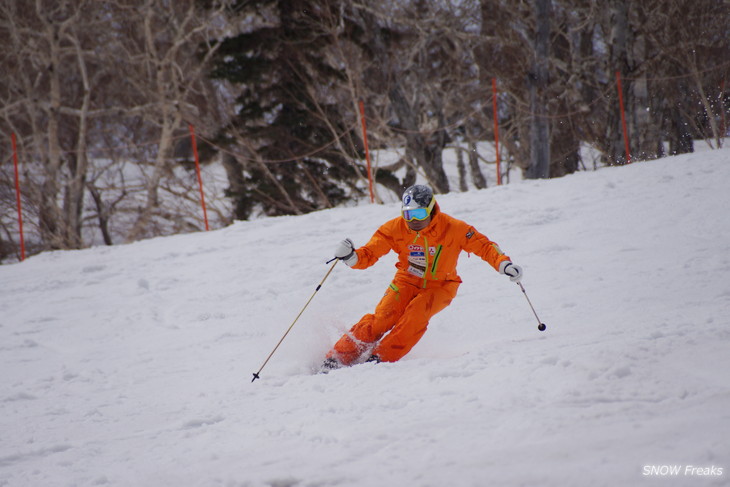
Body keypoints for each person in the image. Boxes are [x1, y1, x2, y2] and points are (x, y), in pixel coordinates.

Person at [322, 184, 522, 370]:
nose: (413, 220)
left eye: (418, 214)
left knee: (415, 315)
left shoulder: (454, 228)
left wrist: (503, 263)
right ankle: (338, 357)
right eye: (408, 214)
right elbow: (369, 253)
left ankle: (380, 358)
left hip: (441, 285)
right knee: (382, 319)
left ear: (431, 209)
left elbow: (485, 246)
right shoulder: (395, 228)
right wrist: (351, 257)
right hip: (406, 280)